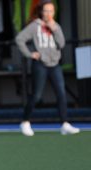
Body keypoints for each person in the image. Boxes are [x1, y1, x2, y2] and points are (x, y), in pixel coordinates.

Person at [15, 0, 79, 136]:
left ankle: (64, 124)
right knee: (37, 95)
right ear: (41, 12)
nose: (49, 13)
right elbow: (19, 39)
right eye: (46, 10)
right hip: (40, 64)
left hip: (55, 64)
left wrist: (54, 29)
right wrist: (29, 54)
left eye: (51, 11)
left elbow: (61, 44)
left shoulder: (56, 26)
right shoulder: (34, 26)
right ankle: (25, 122)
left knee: (61, 93)